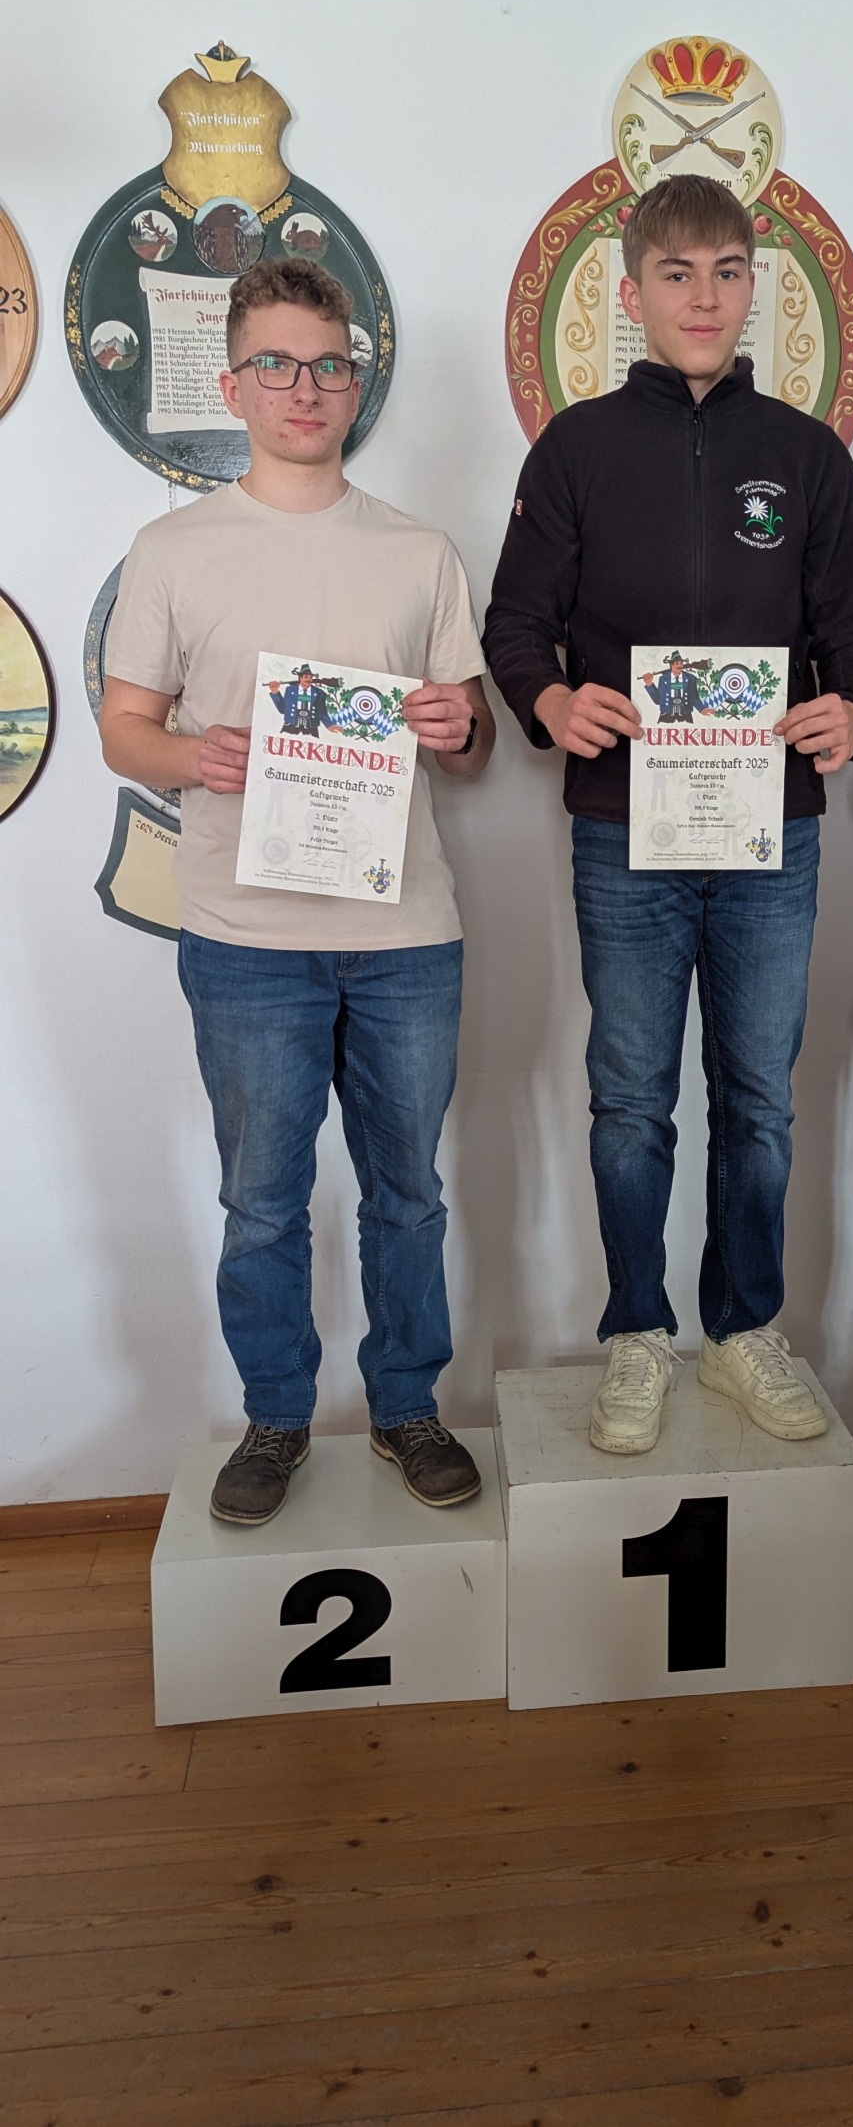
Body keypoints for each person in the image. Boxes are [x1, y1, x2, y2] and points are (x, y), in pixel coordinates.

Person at [484, 173, 853, 1456]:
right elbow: (513, 624)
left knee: (759, 1097)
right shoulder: (578, 449)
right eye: (677, 274)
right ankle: (637, 1331)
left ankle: (744, 1327)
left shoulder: (809, 457)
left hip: (773, 833)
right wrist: (550, 700)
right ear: (633, 292)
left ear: (753, 285)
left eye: (726, 272)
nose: (703, 298)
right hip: (625, 833)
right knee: (630, 1098)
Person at [99, 257, 495, 1524]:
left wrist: (458, 725)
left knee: (409, 1194)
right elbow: (123, 731)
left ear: (355, 383)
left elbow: (474, 743)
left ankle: (406, 1405)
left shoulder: (420, 551)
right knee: (261, 1201)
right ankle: (276, 1415)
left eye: (327, 365)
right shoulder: (172, 549)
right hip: (244, 937)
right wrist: (197, 755)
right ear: (232, 386)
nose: (304, 387)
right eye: (275, 364)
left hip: (405, 935)